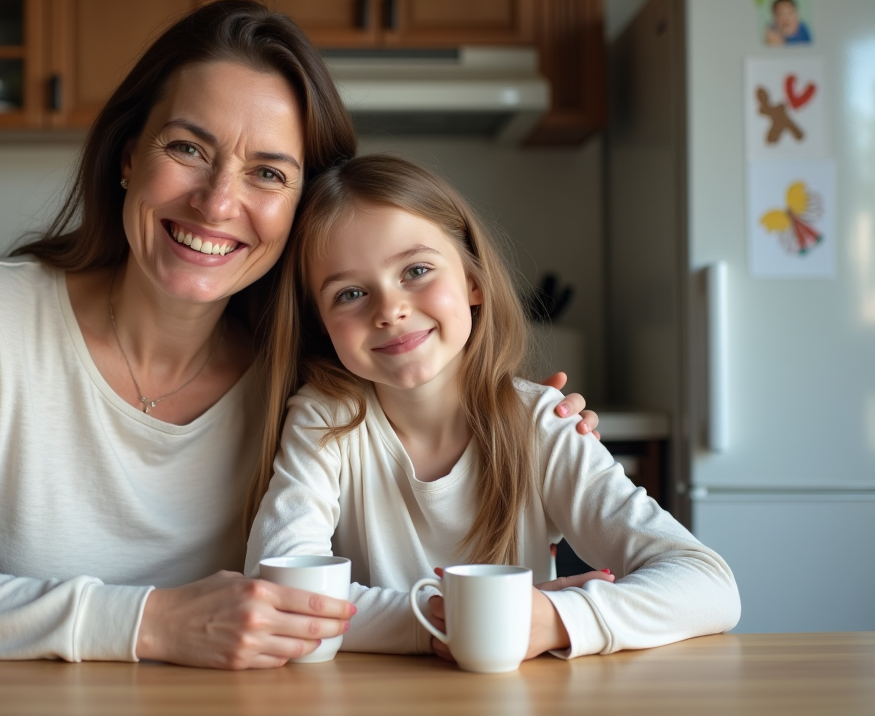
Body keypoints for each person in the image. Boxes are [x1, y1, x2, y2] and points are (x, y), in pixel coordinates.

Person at [0, 0, 600, 669]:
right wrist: (149, 622)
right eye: (188, 148)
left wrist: (530, 431)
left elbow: (434, 483)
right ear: (127, 157)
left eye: (268, 173)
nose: (217, 203)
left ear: (302, 213)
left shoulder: (319, 368)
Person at [246, 155, 740, 660]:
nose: (390, 310)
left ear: (473, 281)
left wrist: (557, 618)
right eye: (350, 293)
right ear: (322, 324)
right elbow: (282, 593)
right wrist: (472, 619)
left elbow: (709, 585)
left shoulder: (541, 422)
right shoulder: (325, 419)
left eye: (416, 271)